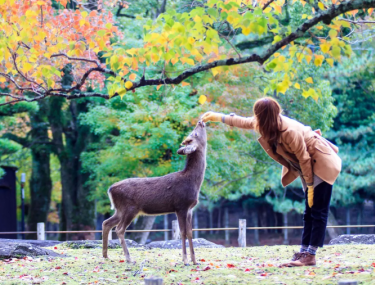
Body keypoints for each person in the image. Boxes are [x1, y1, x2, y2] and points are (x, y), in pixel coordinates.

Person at [201, 97, 341, 267]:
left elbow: (304, 159)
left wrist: (310, 186)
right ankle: (303, 252)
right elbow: (242, 121)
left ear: (263, 115)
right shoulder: (263, 123)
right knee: (308, 211)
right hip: (308, 165)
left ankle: (310, 255)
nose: (255, 118)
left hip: (321, 163)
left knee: (317, 211)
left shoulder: (289, 131)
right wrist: (218, 117)